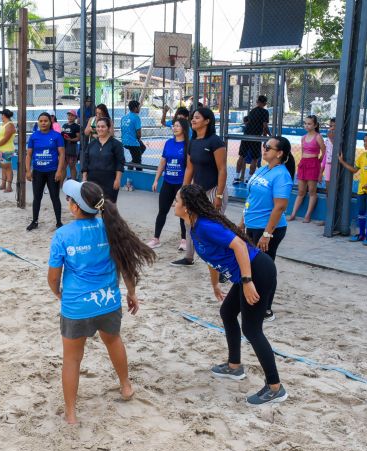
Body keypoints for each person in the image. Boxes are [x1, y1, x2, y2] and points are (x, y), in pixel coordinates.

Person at [48, 180, 156, 424]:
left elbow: (53, 277)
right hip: (107, 302)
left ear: (76, 208)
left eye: (69, 199)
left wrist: (58, 293)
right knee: (113, 340)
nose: (67, 201)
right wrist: (131, 293)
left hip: (77, 306)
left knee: (72, 358)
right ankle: (126, 386)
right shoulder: (111, 227)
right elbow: (126, 267)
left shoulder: (63, 234)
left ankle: (71, 414)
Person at [174, 184, 288, 405]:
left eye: (177, 201)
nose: (174, 204)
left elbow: (240, 246)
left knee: (252, 329)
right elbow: (212, 256)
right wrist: (215, 285)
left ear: (187, 207)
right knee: (227, 312)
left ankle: (275, 387)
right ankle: (234, 366)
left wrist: (247, 281)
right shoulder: (194, 226)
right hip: (247, 273)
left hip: (257, 271)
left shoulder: (205, 226)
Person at [241, 137, 295, 321]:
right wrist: (242, 223)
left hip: (268, 229)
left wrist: (267, 233)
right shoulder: (263, 170)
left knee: (265, 267)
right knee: (251, 265)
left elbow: (279, 206)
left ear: (279, 153)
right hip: (253, 225)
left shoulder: (282, 175)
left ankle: (266, 309)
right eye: (264, 146)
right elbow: (251, 199)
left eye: (268, 148)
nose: (264, 150)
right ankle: (252, 302)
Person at [173, 108, 228, 267]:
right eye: (192, 118)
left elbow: (222, 169)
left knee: (214, 227)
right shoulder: (193, 142)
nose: (193, 120)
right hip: (197, 192)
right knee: (190, 222)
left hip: (214, 190)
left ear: (207, 121)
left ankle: (222, 263)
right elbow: (190, 169)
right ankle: (189, 257)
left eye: (197, 117)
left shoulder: (215, 141)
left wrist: (218, 195)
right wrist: (184, 191)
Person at [147, 117, 190, 250]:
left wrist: (185, 186)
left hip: (181, 184)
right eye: (173, 126)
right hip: (167, 182)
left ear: (183, 128)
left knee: (182, 212)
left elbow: (189, 167)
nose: (174, 128)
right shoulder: (168, 143)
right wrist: (156, 179)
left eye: (177, 126)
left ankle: (183, 240)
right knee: (162, 211)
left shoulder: (188, 145)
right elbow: (163, 162)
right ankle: (156, 239)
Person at [26, 112, 66, 231]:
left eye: (46, 121)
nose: (43, 123)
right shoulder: (33, 136)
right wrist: (28, 171)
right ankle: (35, 221)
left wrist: (59, 171)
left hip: (52, 171)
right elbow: (28, 155)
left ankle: (59, 222)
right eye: (41, 121)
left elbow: (62, 154)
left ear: (50, 122)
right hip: (38, 171)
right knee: (36, 197)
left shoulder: (57, 136)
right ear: (38, 122)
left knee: (55, 197)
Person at [288, 115, 325, 223]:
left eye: (309, 124)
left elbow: (324, 151)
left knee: (312, 191)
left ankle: (307, 216)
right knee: (301, 191)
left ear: (315, 125)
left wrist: (318, 163)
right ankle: (293, 214)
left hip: (313, 164)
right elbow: (303, 152)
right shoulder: (303, 137)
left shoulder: (318, 137)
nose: (306, 125)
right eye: (305, 123)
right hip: (304, 164)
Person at [83, 117, 125, 203]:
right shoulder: (92, 144)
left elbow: (120, 163)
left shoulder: (116, 145)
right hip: (92, 180)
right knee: (92, 206)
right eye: (98, 126)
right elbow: (86, 162)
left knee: (108, 209)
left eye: (103, 127)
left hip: (109, 181)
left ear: (109, 128)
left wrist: (117, 179)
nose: (100, 129)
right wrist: (84, 178)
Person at [234, 95, 270, 185]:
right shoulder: (265, 112)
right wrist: (269, 136)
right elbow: (265, 126)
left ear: (257, 102)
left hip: (246, 135)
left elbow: (249, 123)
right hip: (256, 137)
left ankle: (236, 177)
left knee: (241, 156)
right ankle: (249, 179)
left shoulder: (252, 111)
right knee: (255, 158)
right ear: (265, 103)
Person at [0, 109, 17, 192]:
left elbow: (6, 138)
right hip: (1, 149)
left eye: (1, 115)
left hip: (7, 150)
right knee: (3, 168)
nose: (1, 116)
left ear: (4, 115)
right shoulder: (3, 124)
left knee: (8, 168)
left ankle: (9, 186)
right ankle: (3, 184)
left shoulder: (9, 125)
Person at [120, 100, 144, 178]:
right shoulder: (136, 117)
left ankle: (132, 162)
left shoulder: (124, 117)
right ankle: (138, 176)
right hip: (133, 142)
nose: (139, 109)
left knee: (143, 147)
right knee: (138, 161)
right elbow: (139, 134)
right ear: (135, 108)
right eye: (138, 107)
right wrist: (138, 139)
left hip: (124, 141)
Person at [61, 110, 81, 180]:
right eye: (69, 115)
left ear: (75, 117)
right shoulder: (64, 125)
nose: (70, 117)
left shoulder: (76, 126)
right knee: (63, 167)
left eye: (72, 115)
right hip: (64, 148)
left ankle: (73, 183)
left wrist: (70, 140)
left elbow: (79, 138)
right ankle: (61, 186)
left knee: (72, 166)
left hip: (72, 148)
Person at [322, 118, 336, 192]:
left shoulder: (341, 138)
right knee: (328, 186)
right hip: (328, 164)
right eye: (330, 126)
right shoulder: (327, 139)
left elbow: (338, 149)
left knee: (335, 187)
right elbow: (326, 154)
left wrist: (331, 139)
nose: (332, 128)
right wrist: (322, 169)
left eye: (335, 126)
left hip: (337, 165)